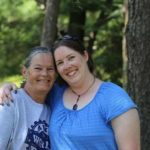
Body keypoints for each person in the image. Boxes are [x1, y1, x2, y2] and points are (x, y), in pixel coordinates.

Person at [0, 35, 140, 150]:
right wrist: (7, 87)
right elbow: (32, 88)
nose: (67, 66)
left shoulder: (114, 98)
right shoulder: (56, 94)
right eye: (60, 63)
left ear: (85, 56)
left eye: (71, 58)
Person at [0, 46, 56, 149]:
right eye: (38, 68)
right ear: (25, 72)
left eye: (50, 69)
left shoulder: (53, 108)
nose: (45, 73)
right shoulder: (10, 101)